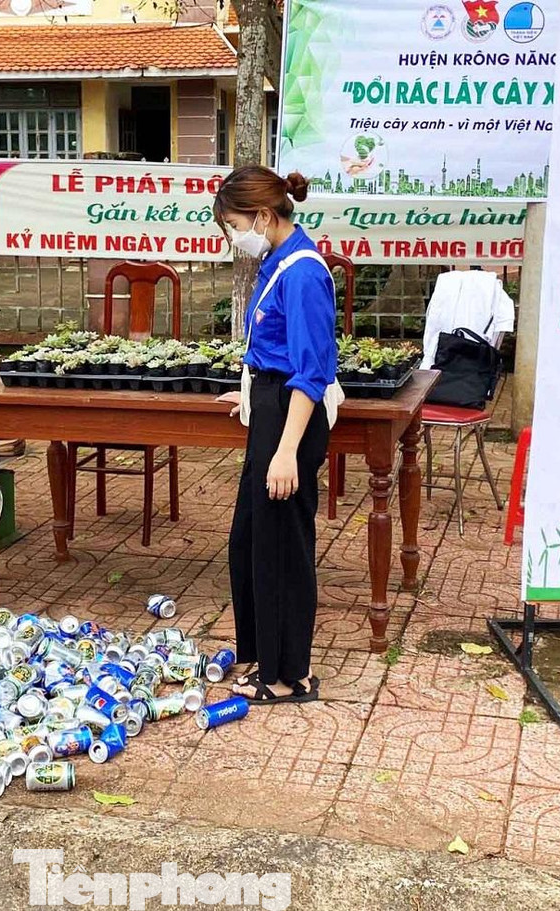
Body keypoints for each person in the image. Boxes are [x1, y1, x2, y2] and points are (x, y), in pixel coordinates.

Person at [214, 166, 338, 704]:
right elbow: (271, 349)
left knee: (284, 547)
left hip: (293, 417)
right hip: (270, 406)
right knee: (250, 541)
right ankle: (262, 654)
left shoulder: (304, 273)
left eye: (233, 225)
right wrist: (249, 396)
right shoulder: (275, 261)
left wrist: (286, 451)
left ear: (264, 216)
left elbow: (310, 370)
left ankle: (290, 676)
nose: (230, 238)